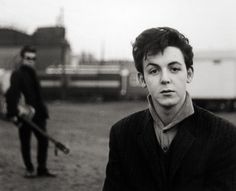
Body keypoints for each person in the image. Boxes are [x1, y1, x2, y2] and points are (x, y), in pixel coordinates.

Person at [103, 27, 236, 190]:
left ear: (189, 74)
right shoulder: (122, 134)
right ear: (141, 79)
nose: (165, 79)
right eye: (153, 70)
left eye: (174, 69)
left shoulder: (224, 135)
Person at [5, 45, 55, 178]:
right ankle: (29, 168)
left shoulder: (33, 73)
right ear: (22, 58)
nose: (31, 61)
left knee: (43, 140)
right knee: (25, 142)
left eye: (33, 58)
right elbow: (12, 94)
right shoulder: (17, 74)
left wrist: (42, 111)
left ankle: (42, 168)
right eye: (28, 58)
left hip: (38, 113)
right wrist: (13, 114)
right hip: (25, 114)